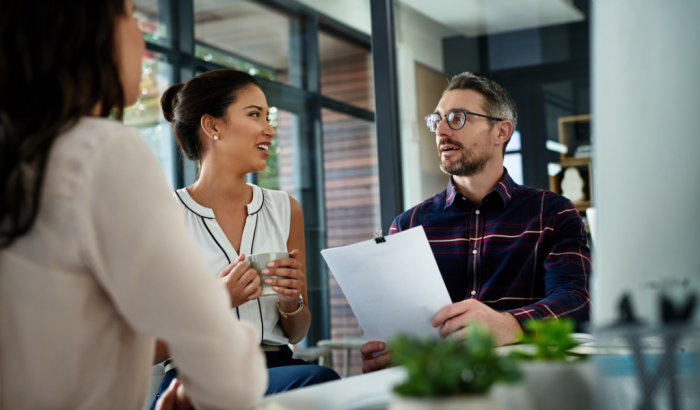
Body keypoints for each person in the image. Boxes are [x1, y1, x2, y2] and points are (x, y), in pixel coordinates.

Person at [0, 1, 267, 409]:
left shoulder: (23, 159)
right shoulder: (99, 152)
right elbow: (224, 370)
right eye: (127, 13)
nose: (141, 36)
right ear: (86, 31)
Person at [361, 72, 591, 373]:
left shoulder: (553, 213)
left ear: (501, 132)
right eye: (437, 119)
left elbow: (575, 300)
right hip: (437, 383)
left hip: (523, 379)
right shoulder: (408, 224)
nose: (441, 130)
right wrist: (389, 350)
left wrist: (511, 325)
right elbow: (396, 320)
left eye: (457, 118)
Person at [150, 69, 340, 406]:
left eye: (268, 116)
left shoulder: (285, 209)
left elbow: (297, 331)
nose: (269, 129)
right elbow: (141, 350)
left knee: (320, 382)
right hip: (195, 376)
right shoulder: (160, 217)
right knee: (320, 382)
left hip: (277, 368)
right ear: (213, 126)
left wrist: (290, 301)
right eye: (254, 114)